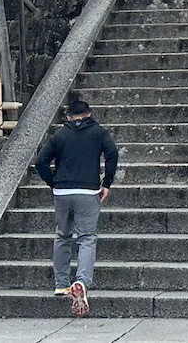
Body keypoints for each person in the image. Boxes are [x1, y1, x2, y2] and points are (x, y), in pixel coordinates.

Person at [34, 98, 121, 318]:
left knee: (62, 235)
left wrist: (53, 182)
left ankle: (61, 284)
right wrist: (107, 183)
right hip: (88, 191)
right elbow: (112, 153)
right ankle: (81, 281)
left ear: (69, 117)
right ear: (89, 114)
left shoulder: (60, 135)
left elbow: (41, 162)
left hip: (62, 192)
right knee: (87, 238)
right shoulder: (99, 133)